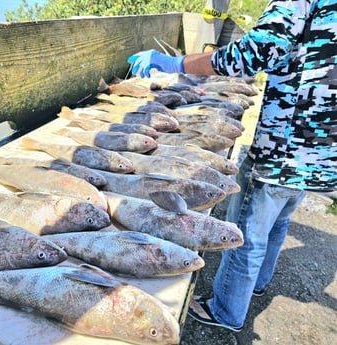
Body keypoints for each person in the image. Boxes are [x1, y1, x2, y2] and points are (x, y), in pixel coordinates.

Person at [127, 0, 337, 332]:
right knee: (279, 219)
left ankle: (227, 310)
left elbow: (253, 53)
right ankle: (258, 282)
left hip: (282, 150)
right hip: (320, 152)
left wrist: (177, 62)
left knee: (246, 233)